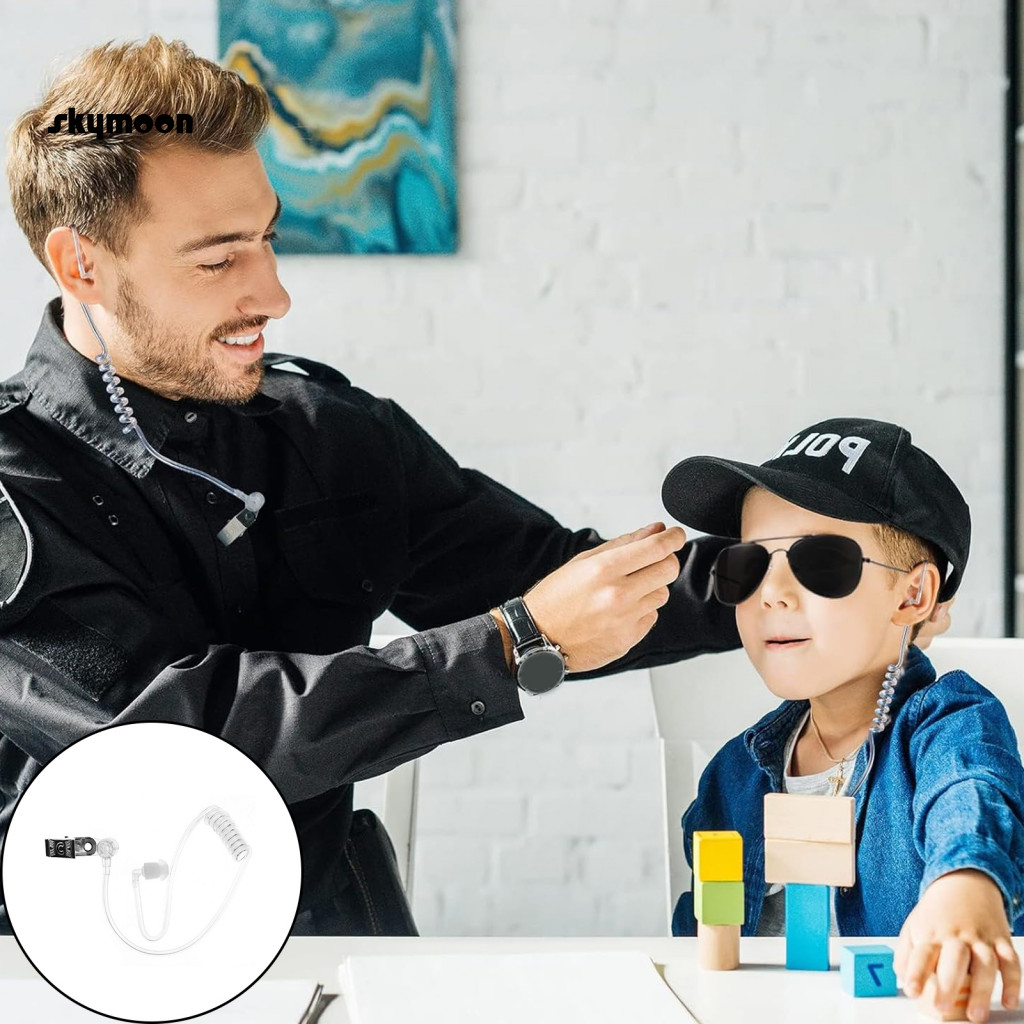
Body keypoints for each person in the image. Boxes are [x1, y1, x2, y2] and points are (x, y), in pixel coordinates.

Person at [0, 35, 753, 937]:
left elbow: (557, 581)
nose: (274, 294)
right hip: (83, 959)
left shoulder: (329, 431)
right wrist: (513, 645)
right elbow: (174, 746)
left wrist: (803, 572)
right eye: (218, 259)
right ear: (81, 265)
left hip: (331, 936)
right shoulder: (12, 484)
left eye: (268, 238)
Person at [661, 417, 1023, 1022]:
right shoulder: (731, 775)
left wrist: (966, 886)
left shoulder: (949, 726)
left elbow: (971, 795)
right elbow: (697, 947)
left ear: (913, 596)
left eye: (821, 561)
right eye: (746, 564)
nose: (771, 592)